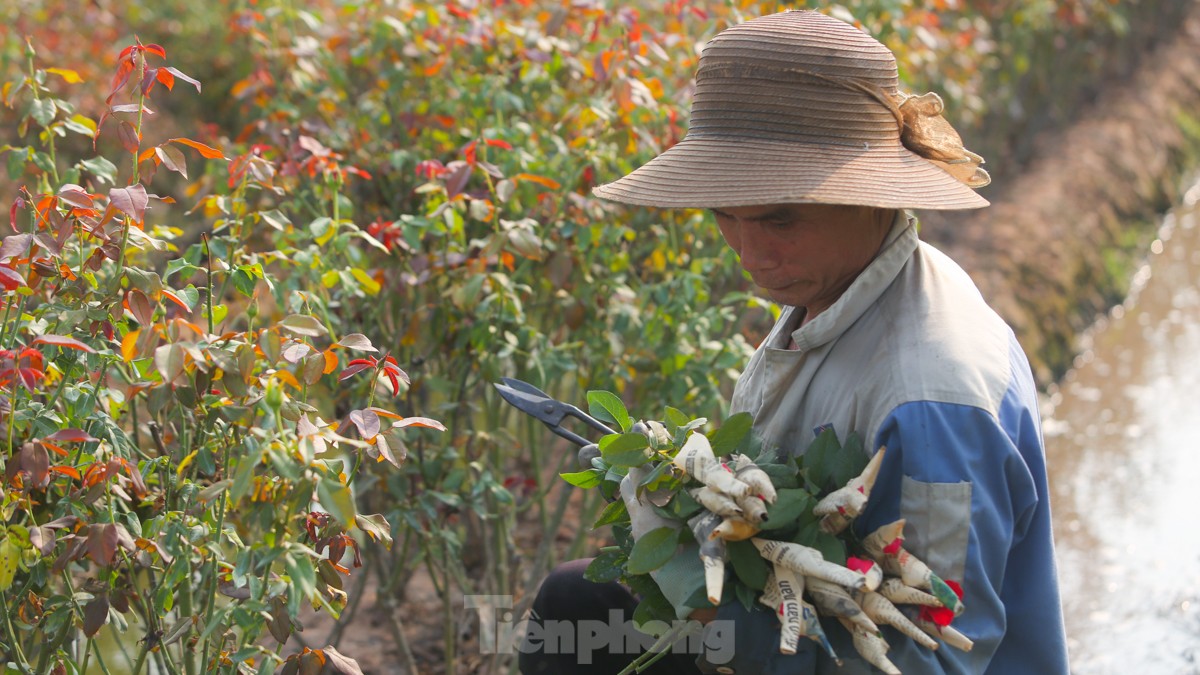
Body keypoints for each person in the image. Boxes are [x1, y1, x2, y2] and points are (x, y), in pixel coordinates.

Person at [519, 9, 1069, 674]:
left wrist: (703, 606)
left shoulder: (929, 403)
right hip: (801, 626)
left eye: (781, 218)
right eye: (727, 214)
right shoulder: (843, 287)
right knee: (575, 606)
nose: (752, 252)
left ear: (868, 198)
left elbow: (926, 661)